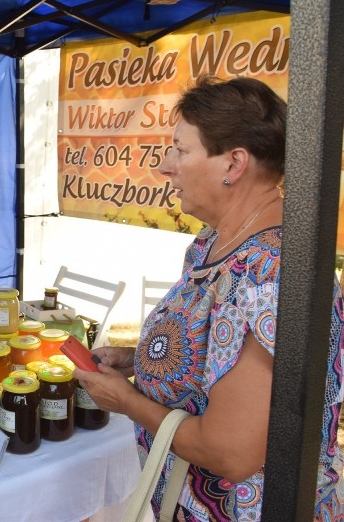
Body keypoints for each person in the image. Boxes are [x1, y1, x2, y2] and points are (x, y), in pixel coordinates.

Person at [74, 76, 344, 521]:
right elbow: (211, 357)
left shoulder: (272, 277)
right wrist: (139, 359)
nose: (165, 166)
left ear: (234, 164)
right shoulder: (212, 244)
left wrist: (128, 402)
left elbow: (230, 452)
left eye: (180, 150)